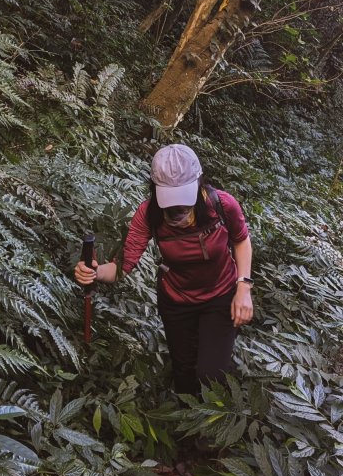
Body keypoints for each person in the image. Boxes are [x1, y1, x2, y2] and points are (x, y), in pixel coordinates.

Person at [74, 144, 254, 395]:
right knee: (184, 371)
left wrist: (243, 287)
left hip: (220, 294)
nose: (178, 210)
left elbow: (241, 240)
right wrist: (94, 272)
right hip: (176, 300)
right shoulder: (148, 214)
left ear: (199, 182)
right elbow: (123, 267)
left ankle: (212, 426)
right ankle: (186, 426)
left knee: (211, 375)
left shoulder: (222, 204)